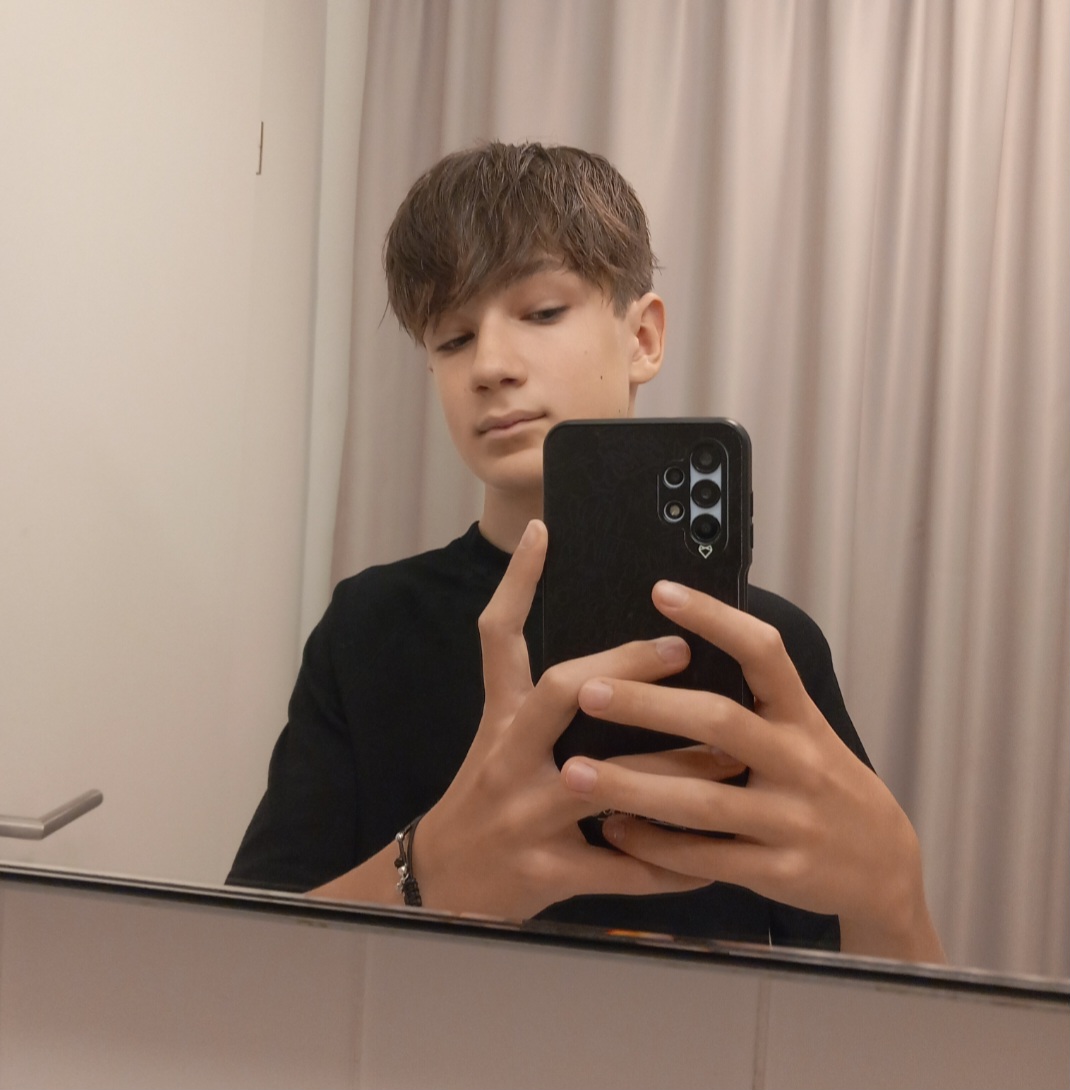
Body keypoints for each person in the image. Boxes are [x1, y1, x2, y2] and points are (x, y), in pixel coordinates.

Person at [228, 141, 945, 963]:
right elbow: (238, 966)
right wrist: (429, 874)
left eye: (540, 313)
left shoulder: (765, 648)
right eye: (452, 338)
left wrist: (895, 891)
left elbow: (879, 1009)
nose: (490, 366)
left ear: (642, 337)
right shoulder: (369, 627)